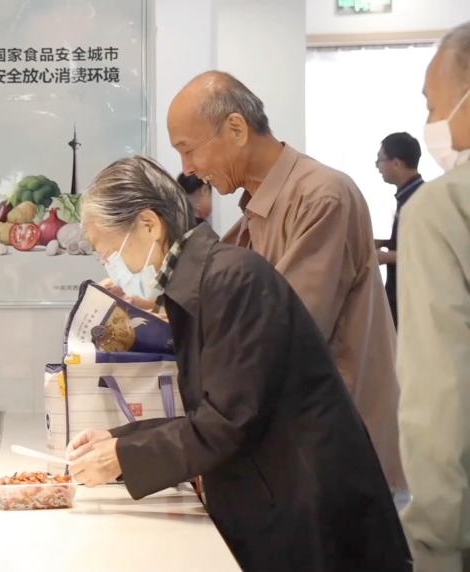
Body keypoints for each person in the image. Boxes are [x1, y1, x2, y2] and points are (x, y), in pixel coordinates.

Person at [68, 155, 410, 571]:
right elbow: (215, 411)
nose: (109, 265)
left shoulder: (232, 279)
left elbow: (226, 421)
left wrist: (122, 455)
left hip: (313, 515)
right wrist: (116, 440)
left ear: (149, 225)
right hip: (283, 499)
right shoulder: (203, 283)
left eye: (108, 251)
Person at [166, 70, 405, 492]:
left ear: (236, 128)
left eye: (188, 150)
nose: (189, 169)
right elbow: (216, 291)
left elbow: (283, 329)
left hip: (334, 442)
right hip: (294, 438)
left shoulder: (321, 196)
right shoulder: (257, 207)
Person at [397, 21, 470, 571]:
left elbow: (440, 387)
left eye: (433, 104)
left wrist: (434, 537)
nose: (432, 121)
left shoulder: (443, 207)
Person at [375, 132, 424, 325]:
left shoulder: (420, 199)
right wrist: (385, 242)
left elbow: (426, 252)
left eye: (380, 160)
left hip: (413, 299)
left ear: (396, 163)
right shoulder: (409, 195)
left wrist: (385, 256)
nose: (378, 167)